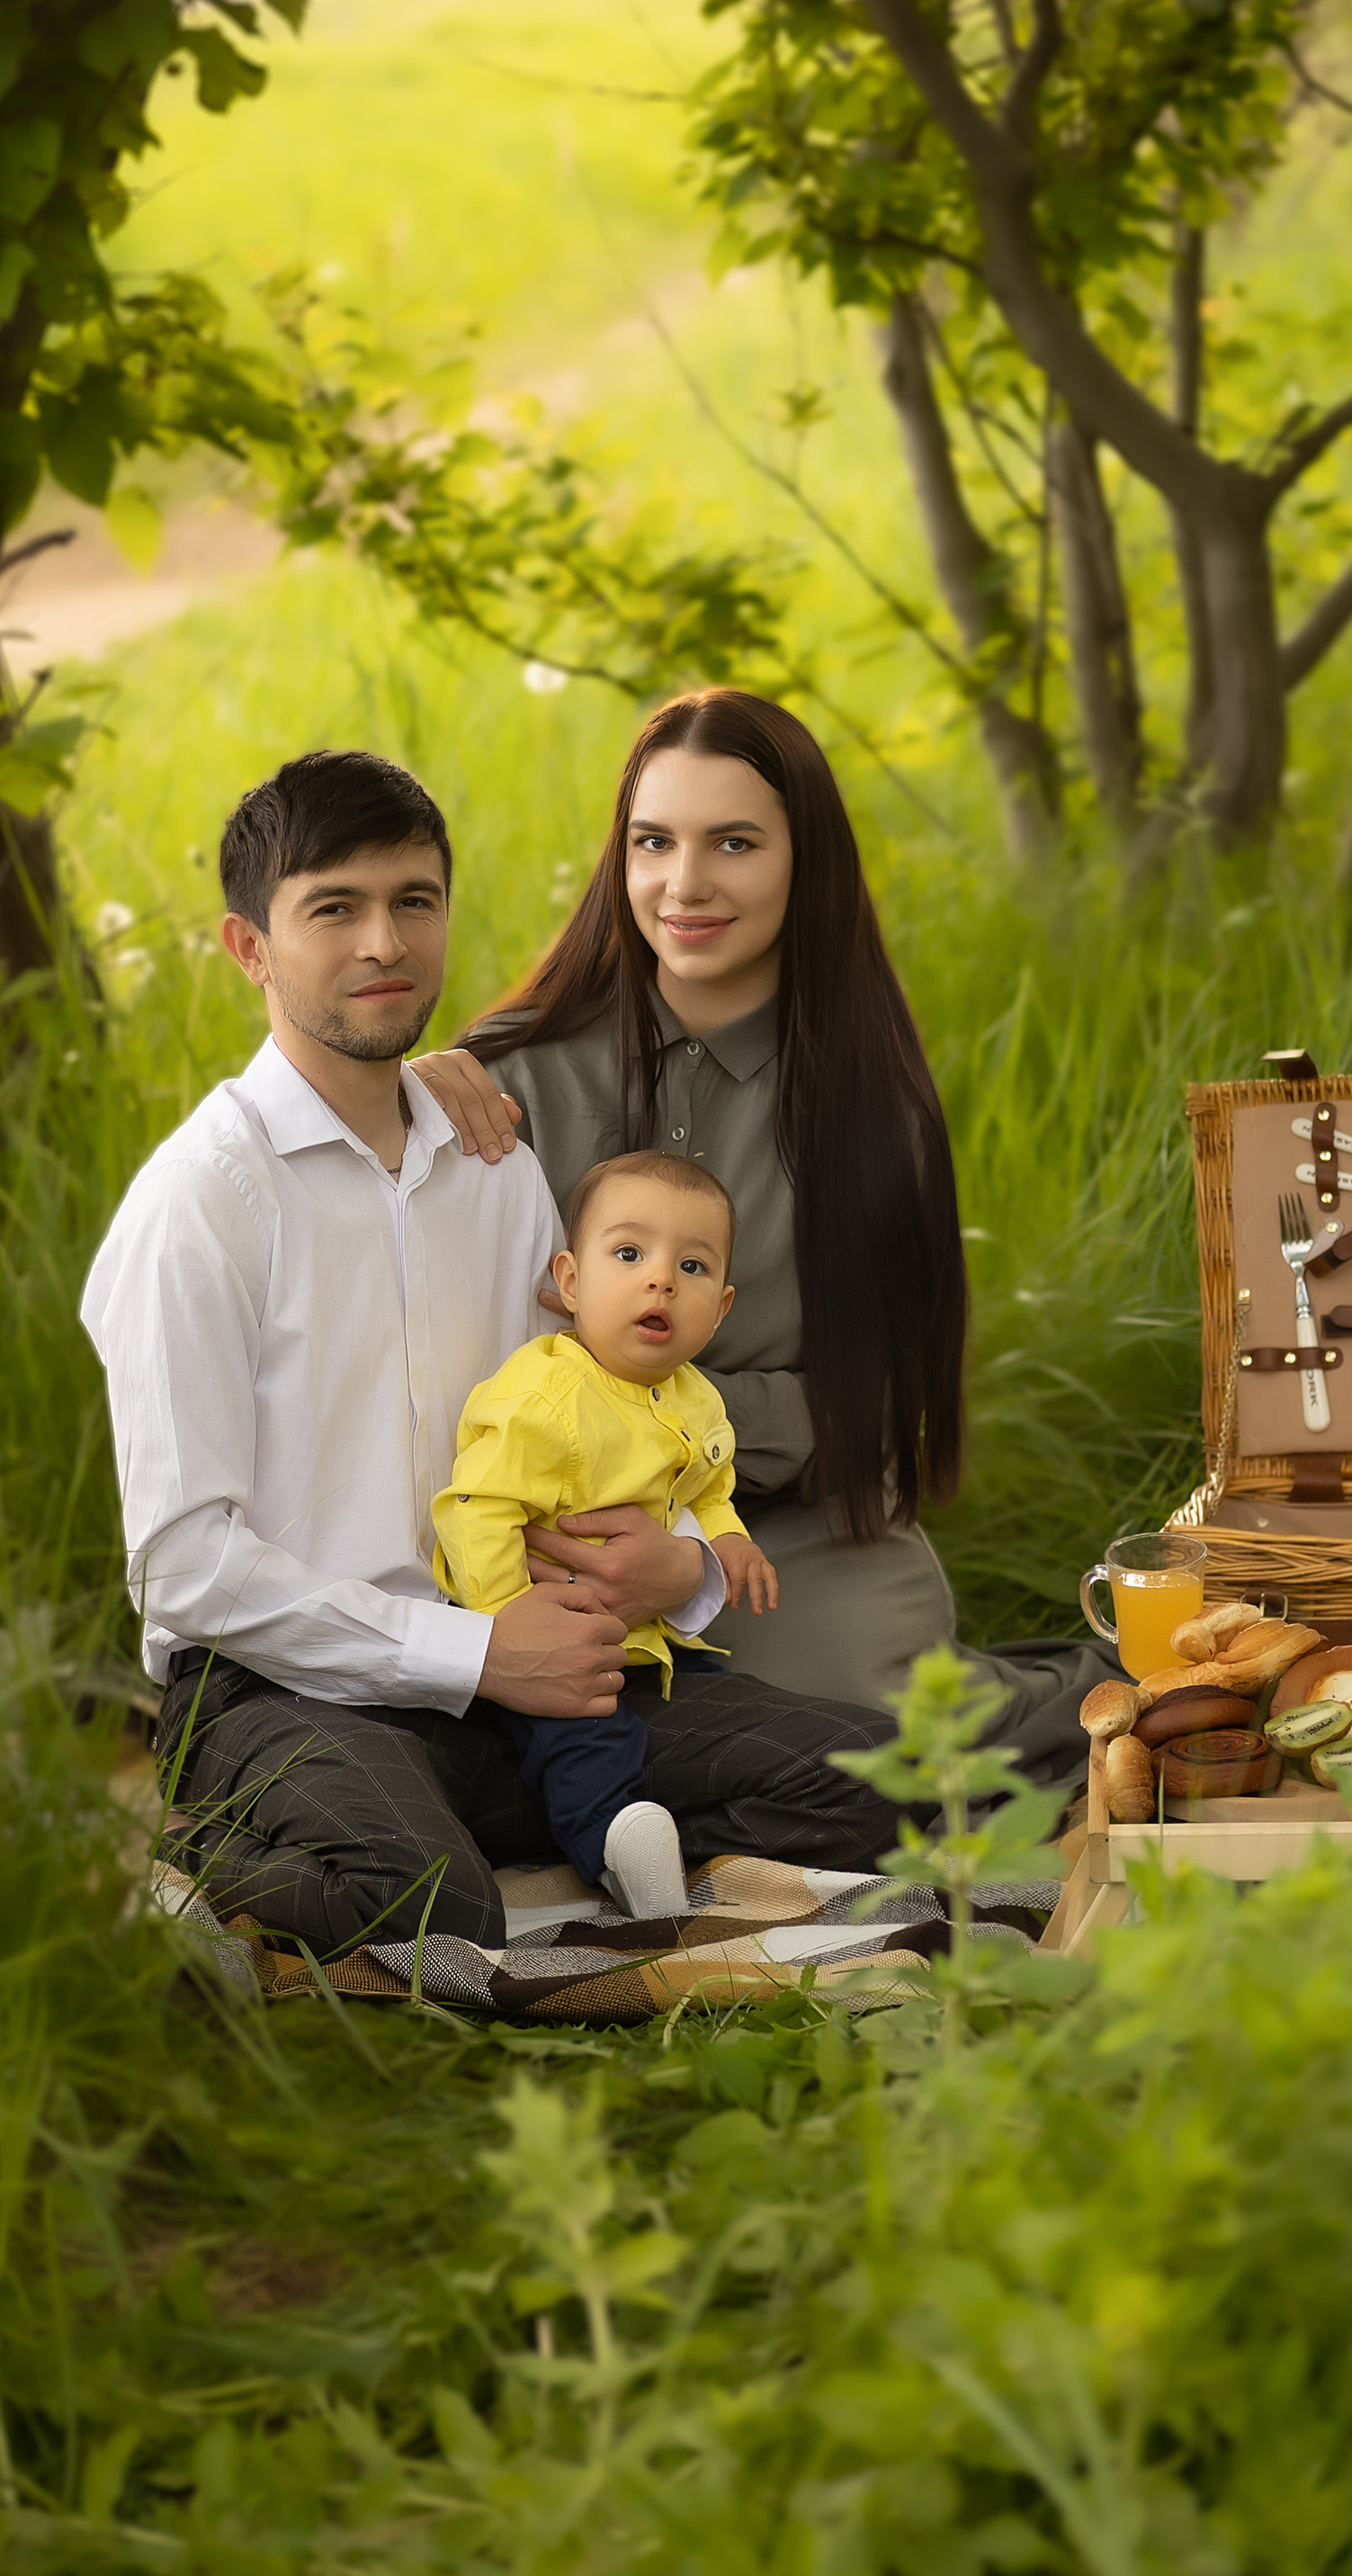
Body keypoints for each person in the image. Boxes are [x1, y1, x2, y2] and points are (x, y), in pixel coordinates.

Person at [79, 748, 906, 1976]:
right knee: (435, 1911)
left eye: (414, 902)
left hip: (517, 1677)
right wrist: (474, 1654)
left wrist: (676, 1570)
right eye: (334, 909)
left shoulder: (492, 1166)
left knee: (879, 1787)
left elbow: (581, 1425)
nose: (383, 943)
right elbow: (186, 1569)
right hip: (281, 1685)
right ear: (248, 947)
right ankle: (194, 1848)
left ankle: (498, 1822)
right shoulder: (201, 1202)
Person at [416, 689, 1091, 1777]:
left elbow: (866, 1404)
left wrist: (687, 1557)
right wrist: (395, 1093)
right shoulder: (511, 1077)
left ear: (803, 861)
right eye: (654, 842)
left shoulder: (872, 1112)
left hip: (786, 1532)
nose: (685, 886)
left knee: (888, 1758)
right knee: (548, 1747)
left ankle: (1116, 1687)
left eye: (733, 842)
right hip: (540, 1527)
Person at [434, 1149, 777, 1921]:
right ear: (571, 1281)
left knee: (708, 1716)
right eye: (629, 1254)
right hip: (542, 1642)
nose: (660, 1279)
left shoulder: (695, 1400)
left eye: (691, 1266)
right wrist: (504, 1616)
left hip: (649, 1643)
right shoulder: (546, 1396)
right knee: (584, 1739)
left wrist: (728, 1545)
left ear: (719, 1309)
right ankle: (621, 1851)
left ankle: (664, 1829)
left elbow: (709, 1487)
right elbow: (474, 1506)